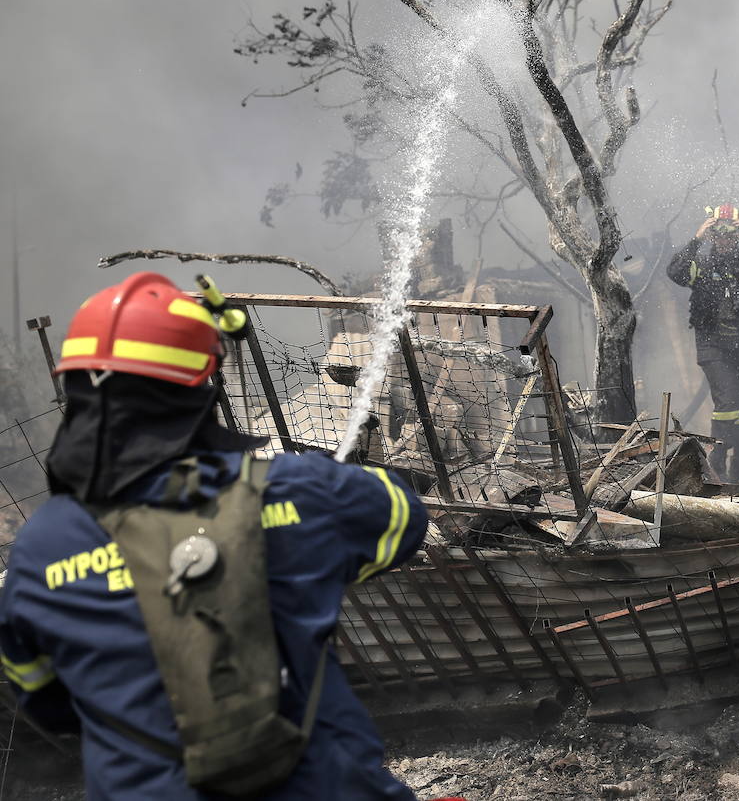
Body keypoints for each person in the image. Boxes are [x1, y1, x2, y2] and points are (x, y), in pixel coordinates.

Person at [0, 272, 428, 800]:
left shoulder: (41, 549)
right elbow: (402, 520)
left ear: (78, 387)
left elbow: (46, 700)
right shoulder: (296, 492)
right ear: (201, 386)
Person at [667, 205, 739, 485]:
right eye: (718, 235)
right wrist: (696, 239)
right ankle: (717, 460)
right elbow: (675, 271)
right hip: (714, 347)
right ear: (712, 236)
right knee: (729, 401)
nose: (724, 240)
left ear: (737, 236)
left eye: (731, 235)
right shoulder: (701, 267)